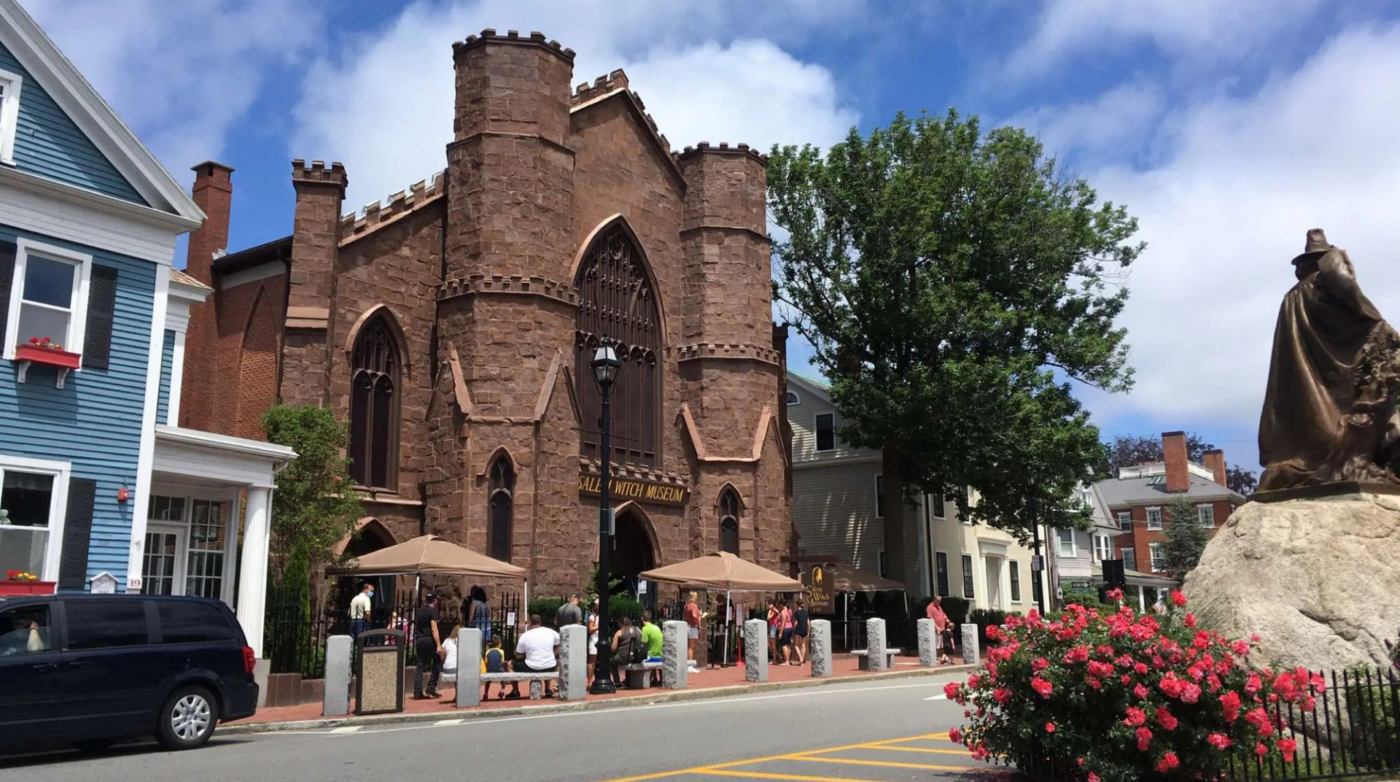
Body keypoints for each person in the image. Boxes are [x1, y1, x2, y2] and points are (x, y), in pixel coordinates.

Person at [513, 614, 560, 699]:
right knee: (550, 661)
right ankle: (548, 689)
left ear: (530, 623)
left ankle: (515, 691)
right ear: (540, 622)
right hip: (550, 666)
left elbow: (519, 654)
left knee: (509, 664)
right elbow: (561, 643)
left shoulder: (525, 635)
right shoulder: (550, 632)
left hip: (531, 667)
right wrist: (553, 654)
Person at [413, 593, 443, 699]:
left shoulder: (419, 611)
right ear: (434, 600)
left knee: (420, 666)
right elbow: (434, 628)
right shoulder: (433, 611)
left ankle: (417, 691)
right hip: (429, 640)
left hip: (419, 639)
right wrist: (438, 644)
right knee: (438, 662)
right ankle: (431, 687)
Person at [610, 616, 642, 687]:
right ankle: (628, 680)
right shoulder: (637, 629)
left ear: (620, 623)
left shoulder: (619, 632)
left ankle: (617, 681)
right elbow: (643, 640)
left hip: (623, 657)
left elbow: (613, 648)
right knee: (629, 661)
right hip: (636, 657)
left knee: (610, 662)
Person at [640, 610, 664, 685]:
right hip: (661, 655)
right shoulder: (657, 627)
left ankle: (651, 679)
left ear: (642, 618)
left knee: (642, 657)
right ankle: (660, 679)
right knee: (652, 651)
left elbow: (644, 645)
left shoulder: (645, 629)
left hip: (651, 656)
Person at [929, 597, 953, 665]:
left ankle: (944, 658)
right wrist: (936, 627)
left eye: (940, 601)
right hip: (936, 630)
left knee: (942, 645)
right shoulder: (930, 607)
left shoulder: (939, 607)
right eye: (938, 601)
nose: (939, 603)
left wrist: (946, 618)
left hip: (942, 629)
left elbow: (943, 614)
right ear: (934, 600)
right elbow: (930, 618)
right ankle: (935, 658)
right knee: (936, 645)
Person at [482, 636, 508, 700]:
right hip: (499, 670)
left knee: (488, 681)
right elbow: (502, 662)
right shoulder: (501, 651)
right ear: (499, 644)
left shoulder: (487, 652)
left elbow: (486, 662)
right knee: (504, 679)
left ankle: (486, 693)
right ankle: (502, 690)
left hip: (490, 671)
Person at [440, 626, 460, 699]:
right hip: (456, 667)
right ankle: (459, 695)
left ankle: (457, 694)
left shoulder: (446, 641)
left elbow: (442, 657)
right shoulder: (461, 641)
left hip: (447, 668)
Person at [683, 592, 702, 667]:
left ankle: (685, 664)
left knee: (687, 647)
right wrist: (698, 623)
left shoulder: (686, 606)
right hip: (692, 627)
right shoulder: (694, 605)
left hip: (686, 626)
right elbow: (694, 615)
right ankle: (690, 665)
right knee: (691, 647)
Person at [586, 597, 601, 687]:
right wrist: (600, 626)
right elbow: (590, 629)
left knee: (600, 661)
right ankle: (589, 682)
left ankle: (597, 679)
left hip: (601, 639)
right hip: (594, 640)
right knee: (592, 661)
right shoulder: (592, 617)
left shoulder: (602, 616)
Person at [791, 597, 809, 665]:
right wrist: (808, 631)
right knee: (803, 645)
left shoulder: (796, 612)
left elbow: (796, 623)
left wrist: (794, 630)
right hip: (805, 630)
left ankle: (801, 659)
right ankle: (802, 661)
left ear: (797, 605)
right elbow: (808, 623)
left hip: (798, 629)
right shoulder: (805, 613)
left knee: (796, 645)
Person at [766, 598, 780, 662]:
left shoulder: (775, 611)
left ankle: (774, 660)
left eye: (769, 604)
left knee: (773, 645)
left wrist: (770, 611)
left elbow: (768, 617)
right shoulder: (771, 610)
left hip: (774, 627)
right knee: (769, 645)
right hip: (771, 627)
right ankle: (779, 656)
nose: (768, 606)